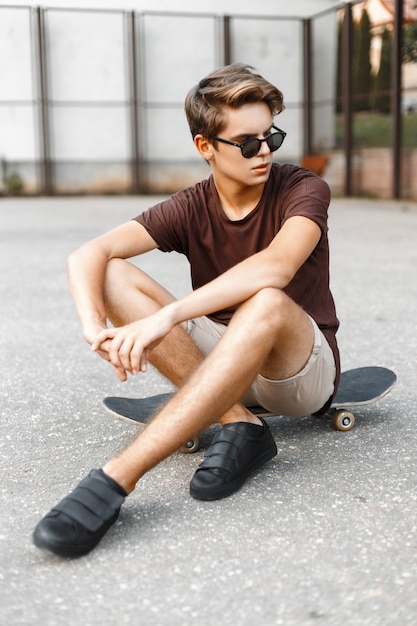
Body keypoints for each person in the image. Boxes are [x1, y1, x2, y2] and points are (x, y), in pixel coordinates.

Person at [33, 63, 340, 558]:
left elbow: (276, 268)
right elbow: (86, 254)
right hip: (227, 355)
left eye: (271, 137)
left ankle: (117, 478)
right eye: (246, 142)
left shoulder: (303, 188)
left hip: (297, 368)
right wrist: (94, 328)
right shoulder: (192, 205)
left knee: (263, 300)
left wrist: (168, 316)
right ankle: (241, 423)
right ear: (206, 147)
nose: (263, 151)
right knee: (112, 270)